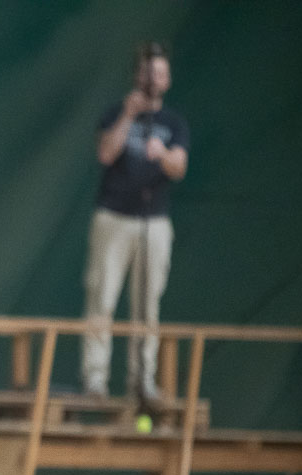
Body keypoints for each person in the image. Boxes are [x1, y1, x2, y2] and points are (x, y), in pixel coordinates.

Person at [81, 41, 189, 402]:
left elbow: (179, 168)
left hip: (153, 221)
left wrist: (164, 155)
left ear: (167, 80)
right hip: (113, 216)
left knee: (147, 305)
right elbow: (105, 153)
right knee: (101, 297)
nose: (152, 79)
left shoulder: (173, 123)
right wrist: (128, 115)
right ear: (136, 76)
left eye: (159, 73)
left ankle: (142, 380)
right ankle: (95, 380)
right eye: (147, 73)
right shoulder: (115, 114)